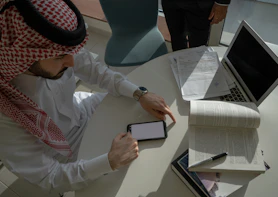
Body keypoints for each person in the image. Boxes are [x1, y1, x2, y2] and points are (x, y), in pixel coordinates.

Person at [0, 0, 176, 194]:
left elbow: (96, 71)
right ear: (23, 56)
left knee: (142, 115)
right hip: (64, 153)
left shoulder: (59, 51)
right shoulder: (5, 110)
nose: (71, 60)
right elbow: (49, 176)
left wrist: (140, 93)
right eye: (60, 57)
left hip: (84, 108)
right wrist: (109, 162)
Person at [162, 0, 231, 51]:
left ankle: (195, 68)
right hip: (170, 2)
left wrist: (222, 3)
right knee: (176, 40)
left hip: (200, 4)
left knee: (198, 47)